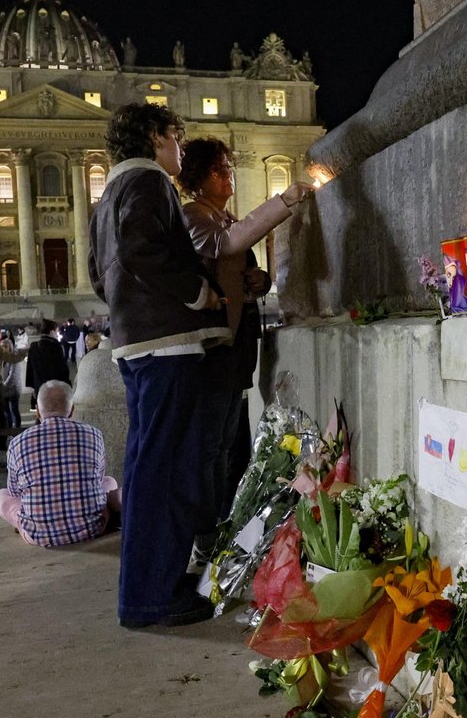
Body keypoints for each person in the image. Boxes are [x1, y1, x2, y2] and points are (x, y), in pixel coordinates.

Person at [90, 102, 230, 628]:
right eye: (176, 136)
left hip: (135, 342)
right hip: (167, 344)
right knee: (167, 470)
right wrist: (196, 292)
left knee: (147, 467)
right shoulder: (148, 182)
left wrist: (129, 306)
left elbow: (99, 274)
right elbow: (140, 250)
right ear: (154, 136)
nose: (180, 149)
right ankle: (152, 596)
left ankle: (148, 587)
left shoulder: (108, 195)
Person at [178, 136, 314, 520]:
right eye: (218, 170)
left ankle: (227, 514)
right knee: (215, 439)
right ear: (197, 179)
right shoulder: (194, 216)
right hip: (215, 343)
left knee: (231, 435)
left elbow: (240, 269)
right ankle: (210, 521)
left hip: (237, 339)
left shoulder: (224, 217)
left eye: (228, 168)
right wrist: (283, 202)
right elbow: (225, 246)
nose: (228, 176)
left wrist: (260, 281)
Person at [0, 380, 120, 547]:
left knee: (1, 495)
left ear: (37, 411)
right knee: (109, 481)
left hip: (38, 534)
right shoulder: (94, 434)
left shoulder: (17, 443)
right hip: (92, 527)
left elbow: (15, 492)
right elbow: (98, 479)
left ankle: (24, 523)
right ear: (72, 410)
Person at [24, 318, 69, 406]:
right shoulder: (56, 346)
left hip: (39, 387)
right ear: (52, 332)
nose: (57, 334)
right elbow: (63, 370)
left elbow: (30, 370)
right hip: (54, 388)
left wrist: (34, 387)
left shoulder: (34, 346)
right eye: (56, 332)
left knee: (41, 410)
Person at [0, 336, 23, 430]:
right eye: (2, 346)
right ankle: (9, 429)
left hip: (13, 389)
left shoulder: (14, 358)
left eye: (5, 346)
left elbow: (13, 376)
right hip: (4, 389)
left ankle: (17, 429)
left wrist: (3, 386)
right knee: (6, 411)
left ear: (10, 347)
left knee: (14, 409)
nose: (3, 348)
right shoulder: (2, 358)